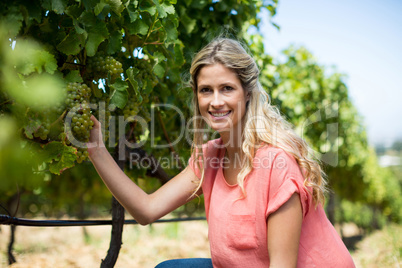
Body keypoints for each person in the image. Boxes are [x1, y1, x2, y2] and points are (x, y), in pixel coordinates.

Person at [88, 38, 355, 268]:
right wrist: (96, 150)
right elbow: (147, 210)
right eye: (206, 90)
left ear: (247, 93)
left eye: (227, 88)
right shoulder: (210, 157)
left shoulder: (277, 163)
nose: (216, 101)